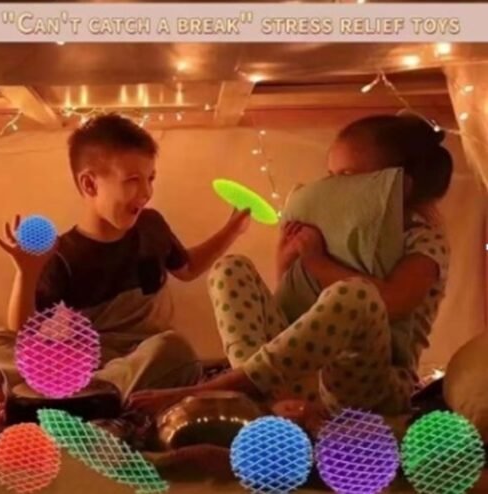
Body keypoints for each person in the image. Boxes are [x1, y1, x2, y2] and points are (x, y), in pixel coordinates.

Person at [129, 113, 452, 418]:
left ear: (396, 186)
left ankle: (221, 387)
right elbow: (297, 308)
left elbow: (392, 303)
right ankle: (270, 395)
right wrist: (287, 261)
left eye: (345, 178)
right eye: (330, 177)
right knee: (230, 268)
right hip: (300, 381)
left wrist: (318, 262)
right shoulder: (334, 229)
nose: (330, 189)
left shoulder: (423, 239)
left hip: (372, 383)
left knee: (356, 294)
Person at [0, 113, 251, 405]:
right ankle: (87, 395)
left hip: (143, 356)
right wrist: (27, 273)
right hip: (86, 360)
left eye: (150, 179)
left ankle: (80, 395)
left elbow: (188, 269)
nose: (146, 192)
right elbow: (24, 335)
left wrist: (232, 230)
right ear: (90, 185)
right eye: (133, 180)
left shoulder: (151, 226)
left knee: (176, 351)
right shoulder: (63, 254)